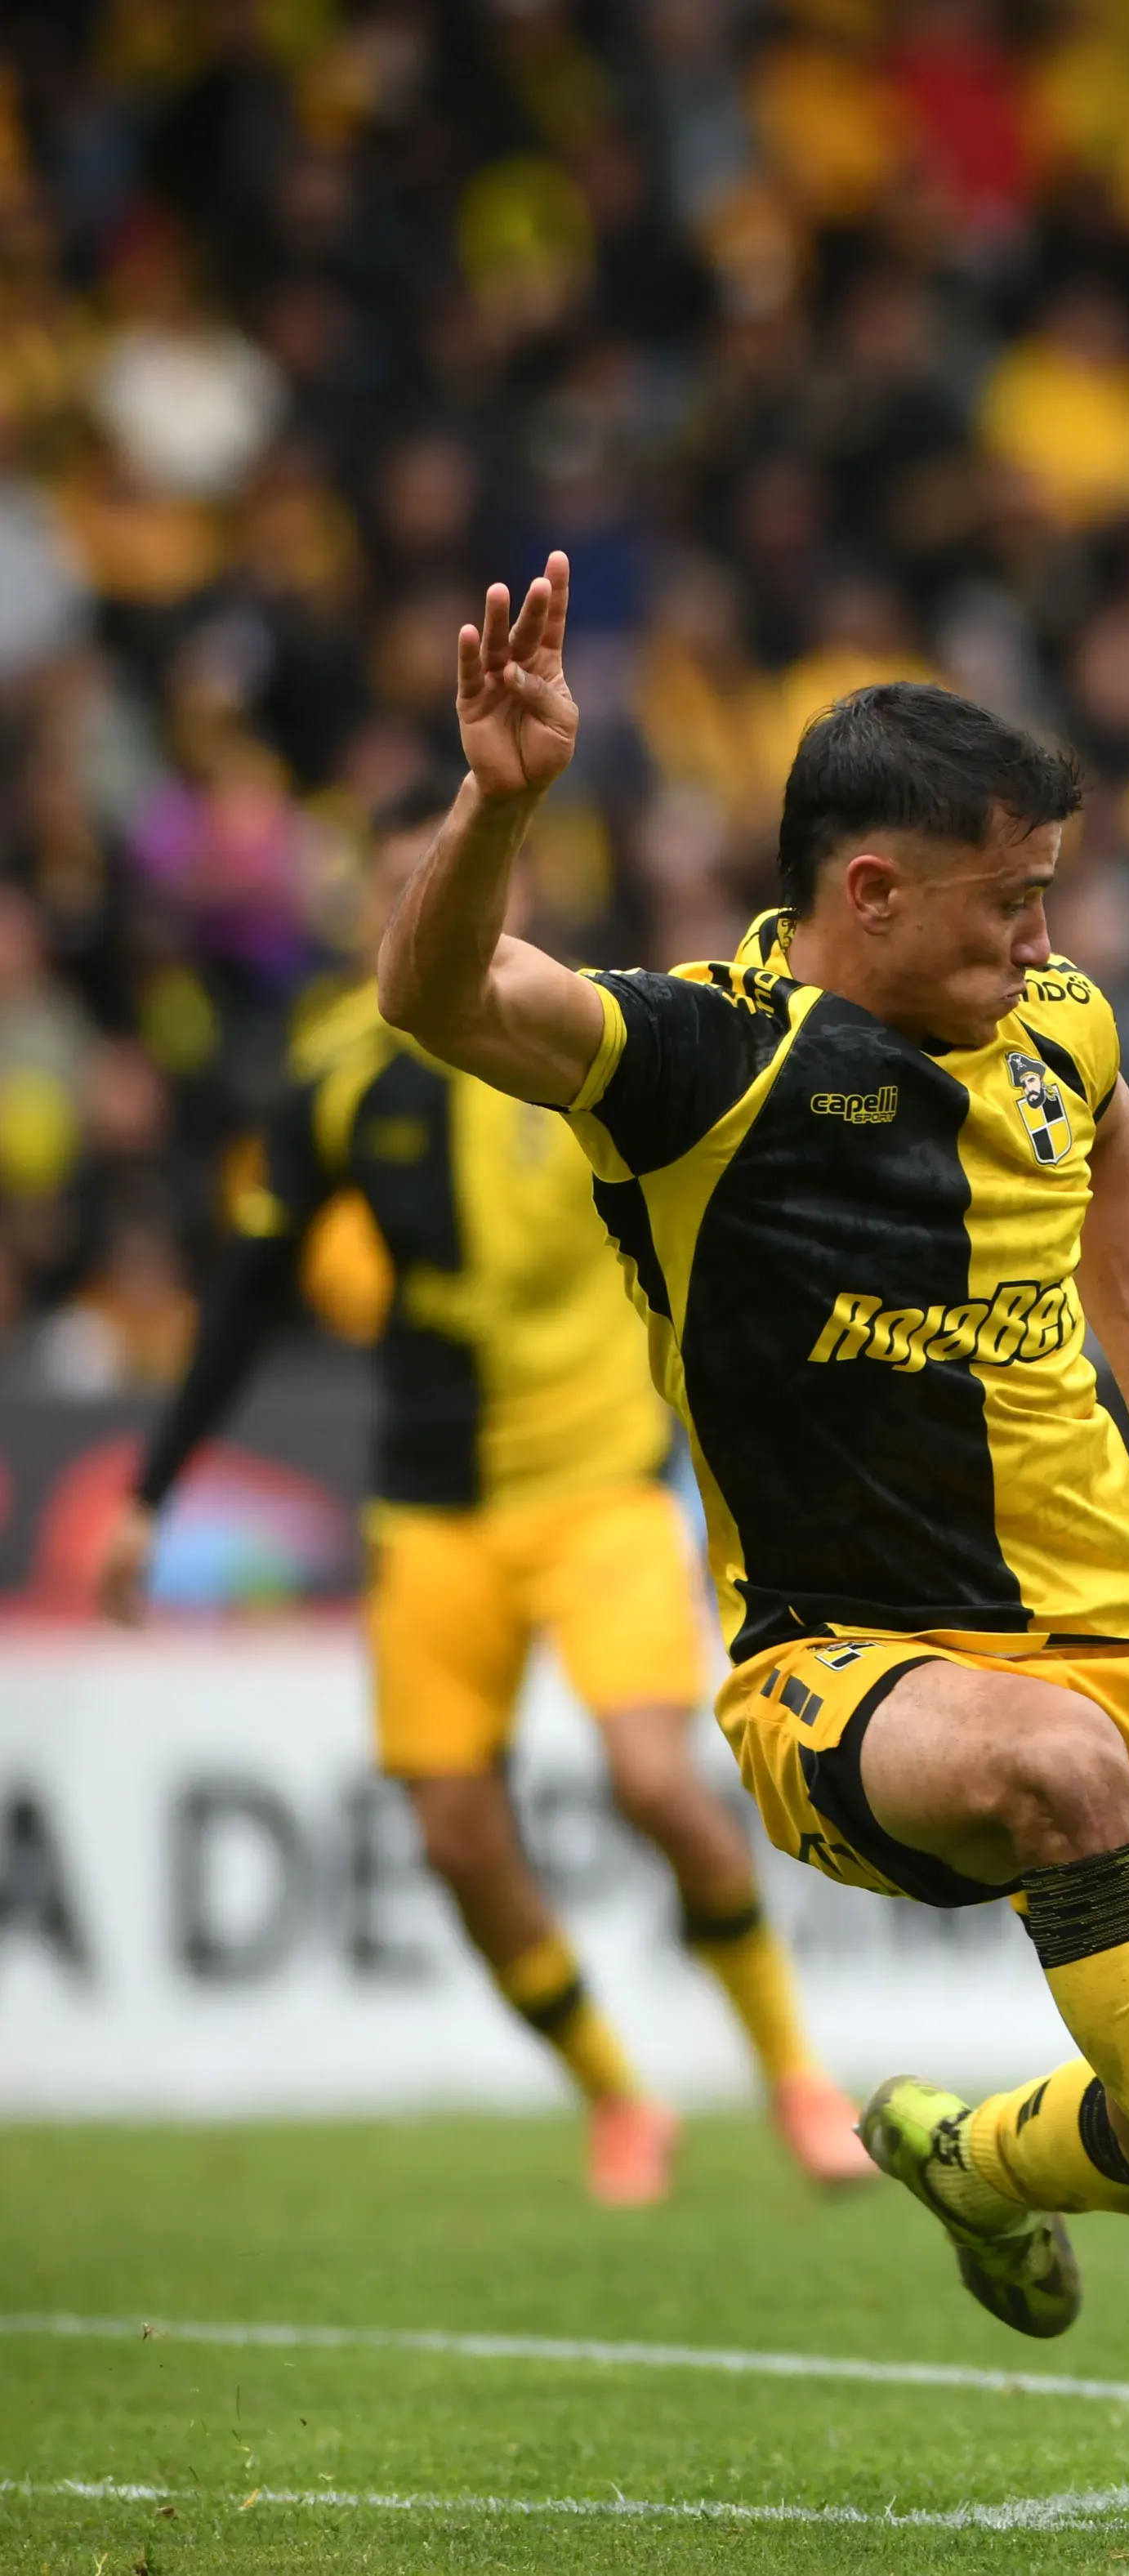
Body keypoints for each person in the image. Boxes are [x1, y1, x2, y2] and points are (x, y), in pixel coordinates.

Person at [374, 556, 1129, 2472]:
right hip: (850, 1676)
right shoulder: (709, 1060)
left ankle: (966, 2152)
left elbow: (1115, 1152)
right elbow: (437, 992)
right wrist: (504, 801)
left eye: (1050, 889)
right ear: (867, 894)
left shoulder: (1061, 1027)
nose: (1047, 932)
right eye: (1011, 896)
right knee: (1054, 1772)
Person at [102, 777, 871, 2208]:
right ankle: (616, 2094)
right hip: (433, 1507)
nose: (432, 909)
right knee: (456, 1835)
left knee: (655, 1780)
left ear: (503, 887)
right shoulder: (336, 1078)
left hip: (599, 1491)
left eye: (455, 878)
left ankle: (792, 2073)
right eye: (408, 884)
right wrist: (152, 1491)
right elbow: (250, 1294)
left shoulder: (595, 1034)